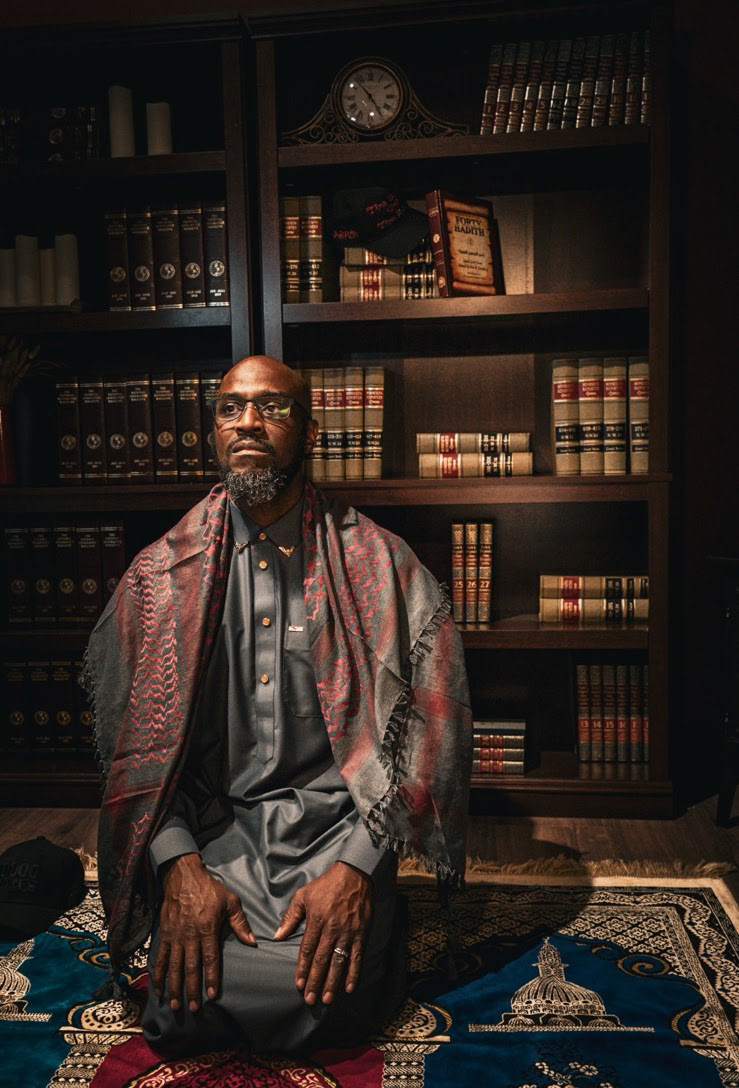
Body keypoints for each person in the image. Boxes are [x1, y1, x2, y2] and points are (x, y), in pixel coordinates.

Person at [81, 355, 472, 1056]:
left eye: (272, 408)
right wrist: (178, 868)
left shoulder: (383, 566)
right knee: (183, 1006)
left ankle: (376, 914)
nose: (249, 424)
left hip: (342, 830)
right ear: (213, 431)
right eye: (231, 409)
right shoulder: (158, 576)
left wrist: (357, 869)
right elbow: (129, 746)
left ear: (312, 432)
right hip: (214, 830)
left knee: (321, 1001)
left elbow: (426, 740)